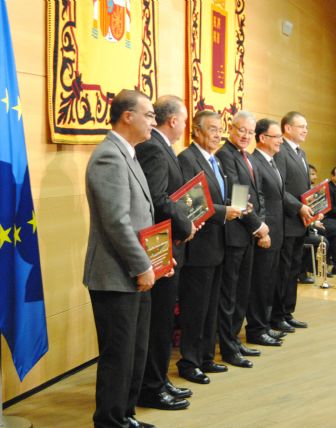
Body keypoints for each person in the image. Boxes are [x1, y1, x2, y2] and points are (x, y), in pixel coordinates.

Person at [84, 89, 164, 428]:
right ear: (127, 116)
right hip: (116, 275)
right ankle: (110, 421)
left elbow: (141, 215)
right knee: (119, 353)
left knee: (135, 350)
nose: (154, 121)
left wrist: (158, 259)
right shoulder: (109, 157)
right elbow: (116, 221)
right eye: (148, 114)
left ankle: (125, 415)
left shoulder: (128, 154)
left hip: (133, 272)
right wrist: (143, 265)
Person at [135, 95, 195, 411]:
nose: (185, 126)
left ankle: (160, 379)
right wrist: (186, 224)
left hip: (168, 247)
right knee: (158, 322)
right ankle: (152, 387)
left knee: (162, 322)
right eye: (185, 121)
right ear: (173, 121)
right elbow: (157, 201)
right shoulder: (154, 150)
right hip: (159, 249)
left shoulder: (163, 148)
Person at [176, 111, 243, 384]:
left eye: (220, 129)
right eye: (212, 129)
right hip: (198, 247)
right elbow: (187, 202)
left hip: (218, 245)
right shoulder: (187, 159)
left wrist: (236, 207)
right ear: (197, 132)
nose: (218, 135)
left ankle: (205, 357)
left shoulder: (215, 160)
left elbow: (218, 196)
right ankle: (189, 362)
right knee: (195, 309)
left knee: (210, 307)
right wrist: (222, 211)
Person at [216, 111, 270, 368]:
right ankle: (228, 347)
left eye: (250, 132)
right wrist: (258, 226)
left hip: (247, 234)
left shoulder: (245, 156)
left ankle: (235, 340)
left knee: (241, 293)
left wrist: (262, 224)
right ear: (230, 128)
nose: (246, 136)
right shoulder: (225, 155)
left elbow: (257, 195)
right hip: (234, 235)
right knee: (229, 295)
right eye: (242, 131)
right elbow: (236, 199)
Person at [245, 118, 290, 347]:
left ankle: (265, 325)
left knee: (269, 281)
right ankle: (256, 329)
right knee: (260, 284)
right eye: (277, 137)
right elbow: (256, 200)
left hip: (278, 231)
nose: (281, 141)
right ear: (262, 138)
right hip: (265, 232)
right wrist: (262, 230)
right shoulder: (254, 162)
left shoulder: (273, 162)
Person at [272, 111, 314, 333]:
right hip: (287, 221)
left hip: (301, 221)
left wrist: (315, 208)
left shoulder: (301, 153)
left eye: (306, 126)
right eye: (301, 126)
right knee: (284, 270)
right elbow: (281, 189)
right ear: (287, 128)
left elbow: (304, 189)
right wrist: (299, 207)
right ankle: (278, 315)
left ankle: (288, 312)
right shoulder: (281, 152)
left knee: (294, 269)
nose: (305, 130)